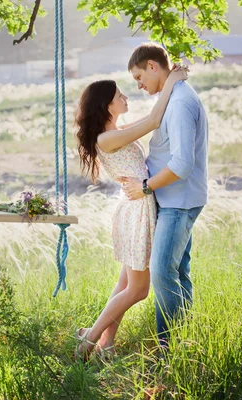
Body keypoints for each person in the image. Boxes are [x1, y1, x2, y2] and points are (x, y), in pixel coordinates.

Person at [74, 63, 189, 360]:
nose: (126, 97)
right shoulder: (107, 138)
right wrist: (172, 80)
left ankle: (106, 343)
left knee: (125, 284)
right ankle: (91, 337)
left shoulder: (115, 131)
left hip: (136, 206)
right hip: (137, 209)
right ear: (107, 105)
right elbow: (152, 120)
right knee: (138, 290)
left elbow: (152, 119)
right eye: (120, 95)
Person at [120, 42, 209, 350]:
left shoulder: (181, 102)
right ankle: (184, 342)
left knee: (161, 273)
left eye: (139, 77)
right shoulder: (173, 96)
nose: (139, 85)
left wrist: (145, 187)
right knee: (178, 272)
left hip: (178, 202)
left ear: (153, 66)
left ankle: (166, 350)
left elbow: (183, 164)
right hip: (173, 199)